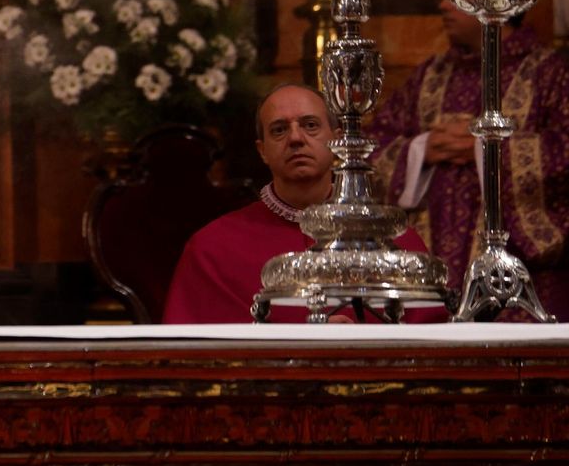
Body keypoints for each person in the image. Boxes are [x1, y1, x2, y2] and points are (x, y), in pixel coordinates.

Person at [368, 0, 569, 321]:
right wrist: (420, 150)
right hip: (431, 280)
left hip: (525, 289)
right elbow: (371, 147)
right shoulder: (429, 76)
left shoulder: (550, 75)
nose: (443, 5)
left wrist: (489, 151)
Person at [164, 83, 436, 323]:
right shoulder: (212, 250)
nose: (295, 138)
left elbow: (431, 344)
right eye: (279, 130)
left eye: (310, 125)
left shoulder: (397, 245)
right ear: (262, 151)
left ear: (338, 140)